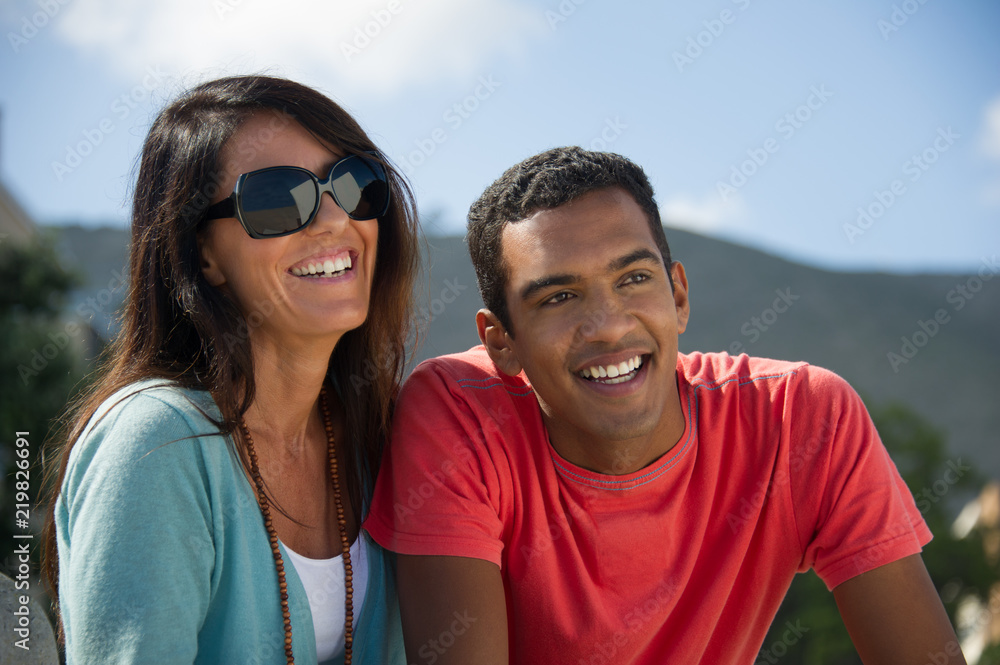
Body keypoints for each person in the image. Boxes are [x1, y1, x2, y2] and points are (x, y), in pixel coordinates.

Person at [364, 147, 967, 664]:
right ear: (501, 341)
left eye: (633, 279)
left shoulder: (802, 418)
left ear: (678, 294)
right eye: (559, 297)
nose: (607, 325)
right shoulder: (458, 412)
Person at [41, 75, 419, 664]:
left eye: (355, 184)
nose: (333, 219)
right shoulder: (155, 443)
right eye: (276, 198)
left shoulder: (388, 433)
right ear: (204, 255)